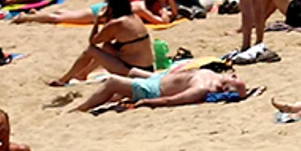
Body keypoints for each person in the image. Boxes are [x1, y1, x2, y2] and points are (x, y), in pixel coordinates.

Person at [73, 63, 250, 114]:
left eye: (234, 79)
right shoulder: (216, 75)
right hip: (161, 79)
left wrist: (146, 102)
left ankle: (81, 109)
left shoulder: (202, 88)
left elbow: (171, 100)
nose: (233, 75)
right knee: (130, 70)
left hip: (154, 89)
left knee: (112, 82)